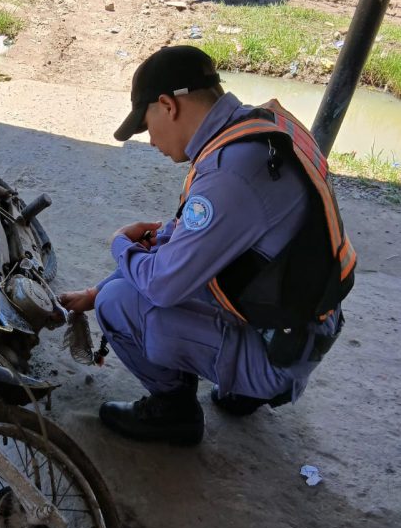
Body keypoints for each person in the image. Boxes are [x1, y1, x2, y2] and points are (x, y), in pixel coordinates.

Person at [60, 46, 355, 446]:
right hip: (300, 327)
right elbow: (192, 245)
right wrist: (92, 291)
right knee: (142, 274)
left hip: (279, 356)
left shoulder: (228, 174)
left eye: (146, 127)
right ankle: (242, 392)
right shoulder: (260, 126)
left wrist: (118, 246)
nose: (150, 143)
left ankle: (175, 412)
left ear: (168, 105)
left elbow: (164, 283)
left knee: (120, 301)